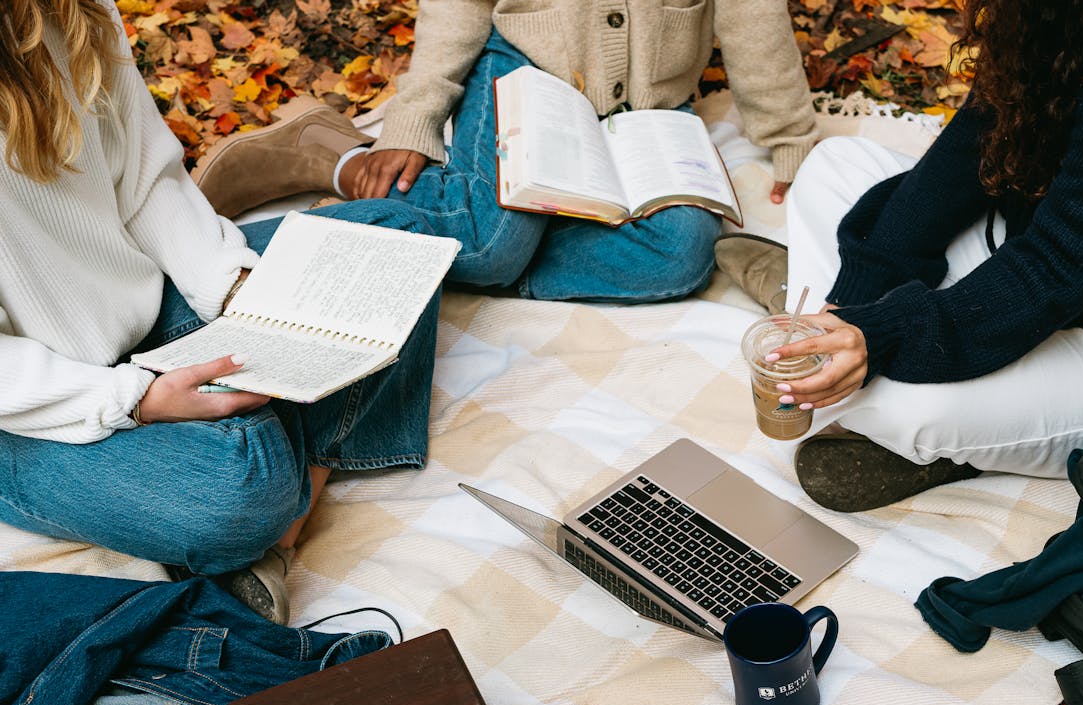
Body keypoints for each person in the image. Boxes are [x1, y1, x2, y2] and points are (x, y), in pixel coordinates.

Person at [0, 0, 448, 623]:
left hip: (145, 311)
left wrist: (233, 285)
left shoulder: (72, 12)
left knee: (398, 244)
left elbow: (146, 181)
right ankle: (270, 495)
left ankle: (287, 524)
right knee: (236, 486)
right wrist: (135, 400)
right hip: (22, 409)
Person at [746, 0, 1083, 511]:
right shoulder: (1061, 14)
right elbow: (973, 145)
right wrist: (854, 300)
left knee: (897, 407)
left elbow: (1058, 267)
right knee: (834, 166)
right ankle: (831, 332)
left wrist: (882, 334)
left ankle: (956, 441)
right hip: (1045, 265)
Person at [192, 0, 818, 304]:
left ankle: (470, 233)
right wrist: (414, 119)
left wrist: (790, 137)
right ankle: (323, 172)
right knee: (489, 248)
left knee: (680, 255)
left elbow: (753, 21)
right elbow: (455, 12)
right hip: (525, 73)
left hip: (646, 113)